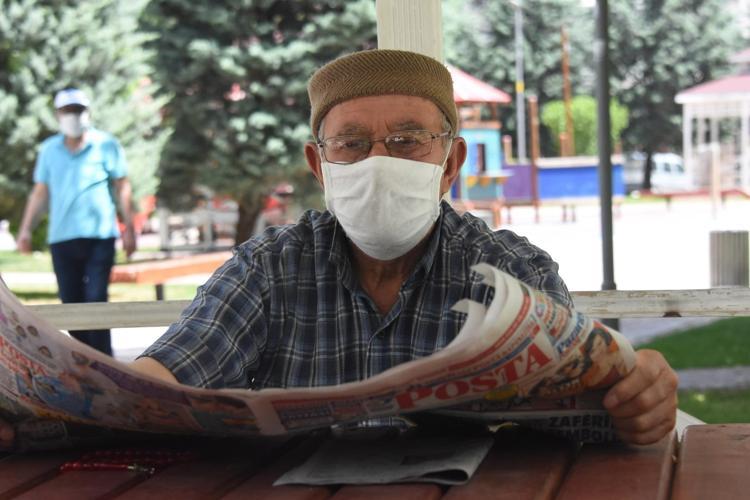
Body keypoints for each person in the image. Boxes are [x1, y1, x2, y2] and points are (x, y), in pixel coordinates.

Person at [1, 50, 677, 448]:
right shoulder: (269, 267)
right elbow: (159, 387)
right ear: (319, 165)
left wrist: (638, 402)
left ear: (450, 163)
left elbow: (586, 421)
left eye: (408, 140)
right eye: (351, 143)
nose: (379, 161)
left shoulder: (513, 271)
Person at [16, 88, 136, 356]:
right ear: (58, 115)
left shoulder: (106, 144)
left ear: (87, 112)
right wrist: (25, 230)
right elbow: (40, 192)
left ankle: (104, 363)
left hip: (100, 236)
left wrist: (129, 228)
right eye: (67, 111)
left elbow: (122, 186)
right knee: (70, 305)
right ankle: (83, 363)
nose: (73, 116)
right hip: (62, 237)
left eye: (78, 110)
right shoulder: (49, 150)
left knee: (96, 300)